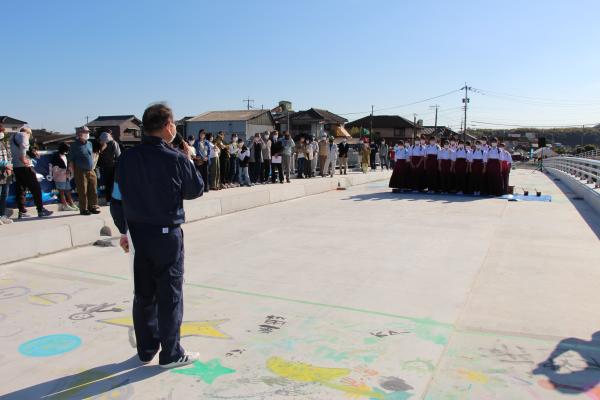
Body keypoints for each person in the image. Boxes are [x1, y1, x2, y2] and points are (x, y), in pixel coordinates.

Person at [112, 103, 204, 369]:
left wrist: (124, 231)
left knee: (143, 294)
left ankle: (146, 349)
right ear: (167, 126)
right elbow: (195, 190)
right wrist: (187, 158)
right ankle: (171, 353)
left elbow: (117, 199)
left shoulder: (127, 158)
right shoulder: (174, 158)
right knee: (170, 294)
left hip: (138, 236)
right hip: (166, 236)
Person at [11, 127, 53, 218]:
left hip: (16, 167)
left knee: (21, 189)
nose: (29, 137)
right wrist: (23, 158)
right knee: (36, 188)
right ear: (27, 132)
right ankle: (41, 210)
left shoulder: (12, 137)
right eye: (30, 134)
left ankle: (22, 211)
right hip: (26, 166)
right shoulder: (23, 135)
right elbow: (23, 146)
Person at [69, 126, 100, 215]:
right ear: (79, 134)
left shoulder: (89, 143)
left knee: (93, 189)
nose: (87, 134)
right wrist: (71, 171)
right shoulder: (74, 145)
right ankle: (83, 209)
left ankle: (93, 206)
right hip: (80, 170)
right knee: (83, 191)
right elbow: (71, 159)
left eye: (87, 132)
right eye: (85, 132)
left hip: (91, 169)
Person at [51, 143, 78, 211]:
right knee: (61, 191)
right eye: (67, 149)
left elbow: (67, 165)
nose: (68, 151)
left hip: (66, 177)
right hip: (59, 177)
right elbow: (55, 169)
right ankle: (65, 205)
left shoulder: (65, 155)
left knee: (68, 191)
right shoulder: (56, 156)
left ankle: (71, 203)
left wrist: (68, 171)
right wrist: (64, 171)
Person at [98, 131, 121, 205]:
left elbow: (100, 156)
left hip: (105, 167)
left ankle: (108, 200)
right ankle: (114, 199)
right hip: (114, 166)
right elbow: (118, 155)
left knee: (107, 184)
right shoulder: (114, 143)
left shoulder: (102, 144)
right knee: (114, 183)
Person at [0, 124, 14, 224]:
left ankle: (2, 215)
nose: (2, 133)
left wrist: (9, 165)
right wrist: (5, 165)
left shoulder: (4, 142)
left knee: (4, 195)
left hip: (5, 173)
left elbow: (9, 156)